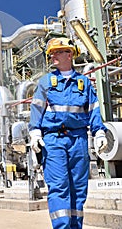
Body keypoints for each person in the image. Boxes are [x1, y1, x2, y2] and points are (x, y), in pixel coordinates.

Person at [28, 37, 108, 229]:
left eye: (57, 52)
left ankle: (75, 226)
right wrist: (35, 132)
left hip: (79, 140)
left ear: (69, 54)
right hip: (54, 140)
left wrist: (99, 133)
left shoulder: (84, 83)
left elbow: (94, 109)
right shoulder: (46, 82)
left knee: (79, 189)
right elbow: (36, 109)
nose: (53, 56)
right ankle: (62, 226)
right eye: (52, 53)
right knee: (59, 187)